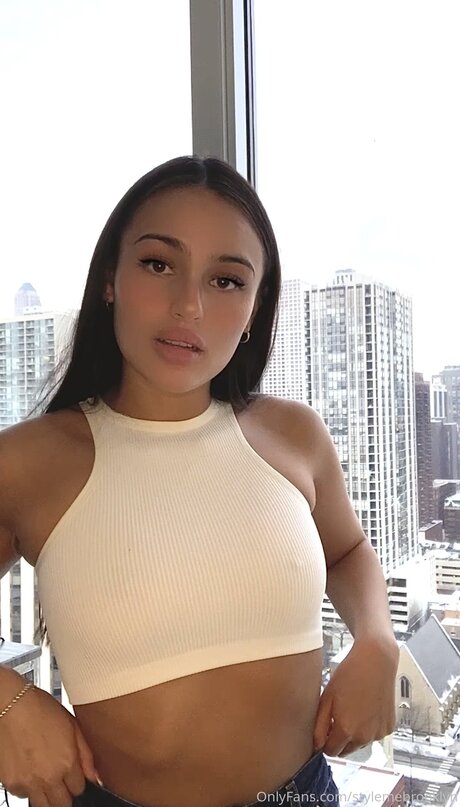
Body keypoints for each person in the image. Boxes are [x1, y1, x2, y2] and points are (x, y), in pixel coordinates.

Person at [0, 155, 399, 807]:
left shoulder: (292, 434)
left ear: (254, 309)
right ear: (109, 280)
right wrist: (7, 701)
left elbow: (348, 551)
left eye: (226, 279)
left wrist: (378, 641)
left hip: (302, 794)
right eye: (159, 264)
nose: (189, 305)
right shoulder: (30, 461)